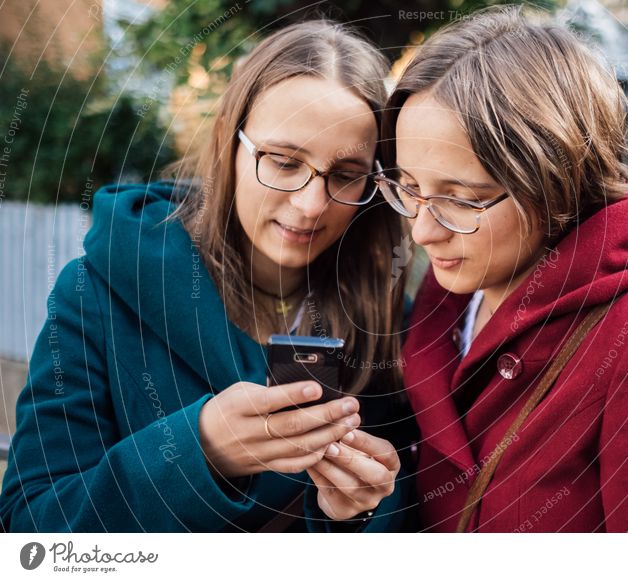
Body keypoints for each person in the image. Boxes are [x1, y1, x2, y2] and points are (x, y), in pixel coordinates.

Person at [0, 20, 415, 532]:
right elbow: (30, 530)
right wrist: (198, 452)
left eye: (347, 175)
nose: (310, 205)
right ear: (227, 141)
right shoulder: (97, 292)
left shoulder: (390, 319)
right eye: (284, 162)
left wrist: (356, 513)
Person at [376, 5, 628, 532]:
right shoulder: (444, 303)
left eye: (462, 199)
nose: (422, 231)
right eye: (409, 189)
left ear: (554, 178)